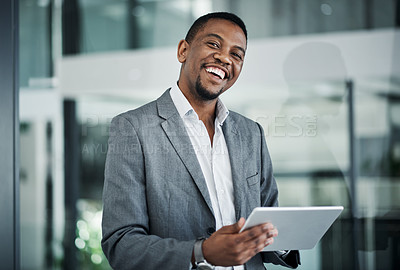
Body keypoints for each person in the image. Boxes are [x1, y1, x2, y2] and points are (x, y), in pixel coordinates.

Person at [101, 12, 300, 270]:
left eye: (237, 54)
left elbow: (269, 220)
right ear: (183, 50)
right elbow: (121, 244)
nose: (225, 58)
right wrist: (200, 252)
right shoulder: (133, 127)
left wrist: (278, 240)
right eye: (214, 44)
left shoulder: (252, 133)